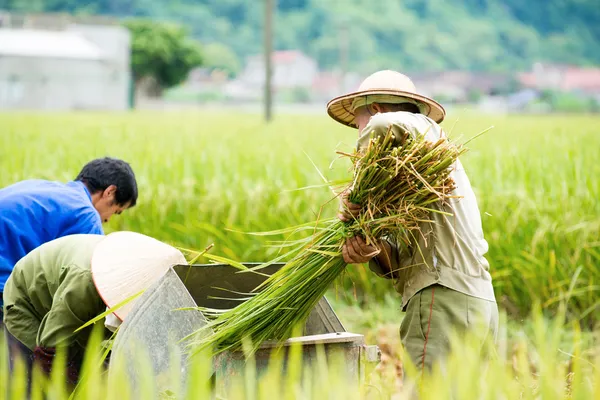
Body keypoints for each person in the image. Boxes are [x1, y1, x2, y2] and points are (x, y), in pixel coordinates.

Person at [326, 70, 498, 373]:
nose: (359, 135)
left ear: (377, 108)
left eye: (358, 125)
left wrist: (358, 188)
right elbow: (405, 263)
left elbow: (382, 126)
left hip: (444, 301)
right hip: (474, 304)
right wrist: (371, 247)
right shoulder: (415, 182)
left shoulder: (421, 126)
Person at [2, 231, 187, 392]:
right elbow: (49, 349)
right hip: (29, 304)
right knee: (36, 383)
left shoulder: (155, 283)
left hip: (75, 304)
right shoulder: (83, 286)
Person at [0, 157, 138, 322]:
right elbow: (91, 284)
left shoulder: (43, 187)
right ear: (110, 192)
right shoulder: (86, 215)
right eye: (116, 211)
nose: (108, 220)